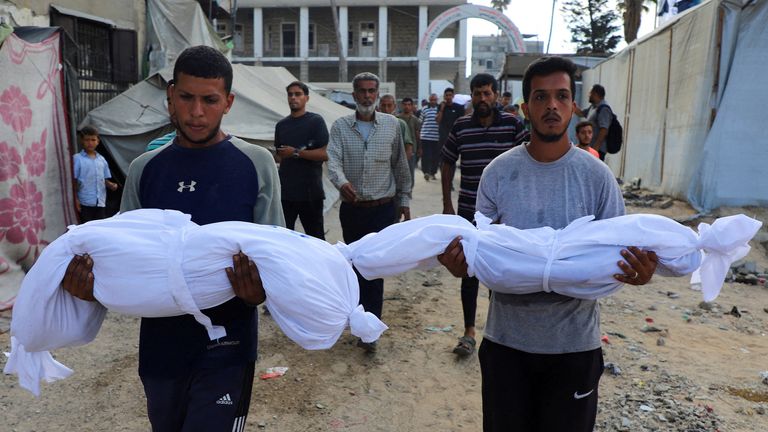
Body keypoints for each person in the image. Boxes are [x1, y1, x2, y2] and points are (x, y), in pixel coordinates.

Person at [61, 45, 284, 432]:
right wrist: (91, 288)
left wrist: (259, 291)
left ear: (228, 102)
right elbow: (126, 261)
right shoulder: (145, 169)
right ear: (170, 97)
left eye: (209, 100)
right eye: (186, 97)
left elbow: (278, 257)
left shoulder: (256, 163)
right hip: (161, 349)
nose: (197, 112)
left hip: (228, 348)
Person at [437, 56, 659, 431]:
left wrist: (640, 273)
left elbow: (621, 253)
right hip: (506, 345)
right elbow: (484, 253)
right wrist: (463, 263)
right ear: (526, 108)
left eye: (561, 96)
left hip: (575, 348)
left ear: (574, 106)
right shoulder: (498, 174)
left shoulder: (598, 177)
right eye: (541, 97)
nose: (552, 106)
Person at [440, 73, 526, 357]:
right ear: (472, 96)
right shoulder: (462, 126)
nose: (482, 99)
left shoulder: (513, 124)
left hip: (506, 217)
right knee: (469, 272)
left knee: (501, 273)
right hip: (469, 212)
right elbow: (448, 160)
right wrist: (447, 203)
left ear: (495, 94)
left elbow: (530, 159)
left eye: (487, 93)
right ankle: (468, 333)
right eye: (477, 94)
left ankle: (497, 331)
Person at [326, 72, 412, 353]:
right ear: (354, 95)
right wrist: (342, 183)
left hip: (382, 209)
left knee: (374, 270)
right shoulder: (340, 126)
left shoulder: (392, 125)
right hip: (353, 210)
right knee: (353, 268)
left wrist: (404, 200)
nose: (366, 96)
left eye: (371, 91)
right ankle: (357, 319)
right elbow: (333, 160)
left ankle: (370, 330)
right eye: (361, 91)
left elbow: (400, 165)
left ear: (377, 94)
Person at [275, 80, 329, 239]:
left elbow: (326, 154)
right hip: (286, 194)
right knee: (284, 239)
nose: (293, 98)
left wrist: (296, 153)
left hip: (310, 193)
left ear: (306, 98)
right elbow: (279, 155)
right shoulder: (281, 125)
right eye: (290, 94)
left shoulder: (315, 121)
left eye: (298, 94)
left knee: (316, 239)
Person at [72, 126, 119, 223]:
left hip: (100, 202)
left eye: (93, 140)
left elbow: (103, 179)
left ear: (98, 141)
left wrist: (110, 184)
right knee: (85, 228)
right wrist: (75, 200)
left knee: (98, 227)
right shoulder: (77, 159)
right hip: (85, 202)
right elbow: (74, 181)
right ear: (82, 141)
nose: (90, 143)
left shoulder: (101, 160)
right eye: (87, 140)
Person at [575, 83, 612, 160]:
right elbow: (581, 113)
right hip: (590, 149)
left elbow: (604, 130)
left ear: (595, 94)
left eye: (590, 93)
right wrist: (571, 104)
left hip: (597, 150)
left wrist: (595, 149)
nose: (588, 95)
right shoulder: (593, 107)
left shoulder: (604, 109)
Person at [436, 87, 465, 173]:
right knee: (443, 160)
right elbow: (437, 120)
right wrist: (441, 109)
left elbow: (461, 121)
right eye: (446, 95)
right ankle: (444, 178)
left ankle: (450, 180)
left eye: (450, 95)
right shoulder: (441, 107)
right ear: (444, 96)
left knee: (452, 159)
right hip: (443, 138)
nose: (448, 97)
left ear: (453, 96)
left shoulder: (458, 107)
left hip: (454, 138)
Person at [397, 97, 422, 187]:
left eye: (409, 105)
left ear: (412, 106)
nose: (407, 107)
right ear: (402, 105)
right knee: (399, 171)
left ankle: (409, 190)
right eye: (405, 104)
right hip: (399, 149)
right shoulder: (396, 118)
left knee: (410, 171)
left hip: (412, 150)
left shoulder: (415, 120)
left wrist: (420, 148)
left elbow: (418, 135)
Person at [419, 93, 440, 181]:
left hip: (436, 137)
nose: (433, 101)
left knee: (435, 157)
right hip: (425, 137)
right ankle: (426, 172)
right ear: (429, 100)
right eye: (431, 100)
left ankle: (433, 173)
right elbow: (420, 122)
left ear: (437, 100)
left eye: (434, 100)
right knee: (426, 156)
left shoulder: (440, 109)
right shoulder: (424, 109)